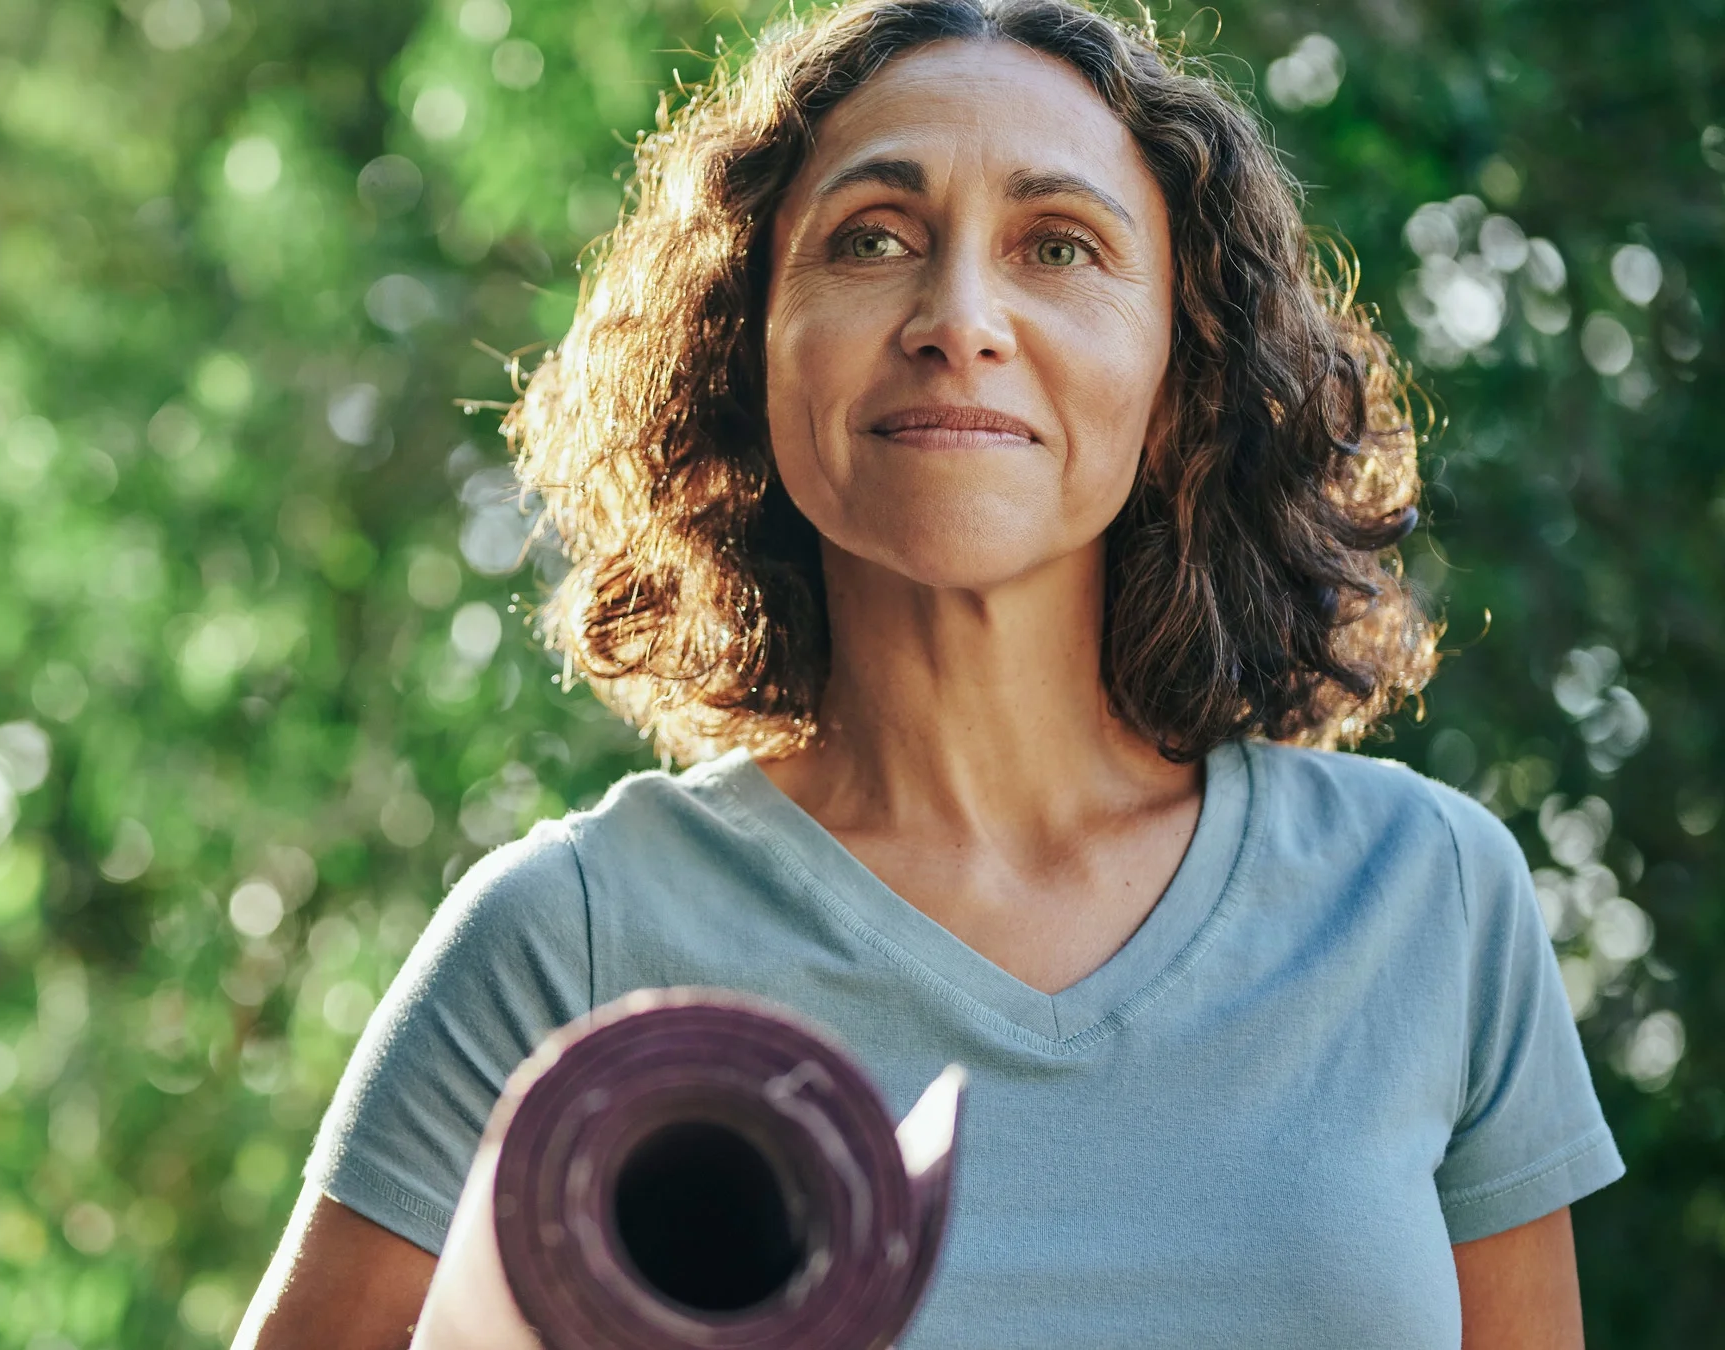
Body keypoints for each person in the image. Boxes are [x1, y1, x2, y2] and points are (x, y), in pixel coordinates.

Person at [238, 1, 1622, 1345]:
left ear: (1178, 366)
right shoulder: (569, 939)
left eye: (1060, 246)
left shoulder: (1427, 894)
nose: (959, 317)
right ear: (747, 341)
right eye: (874, 236)